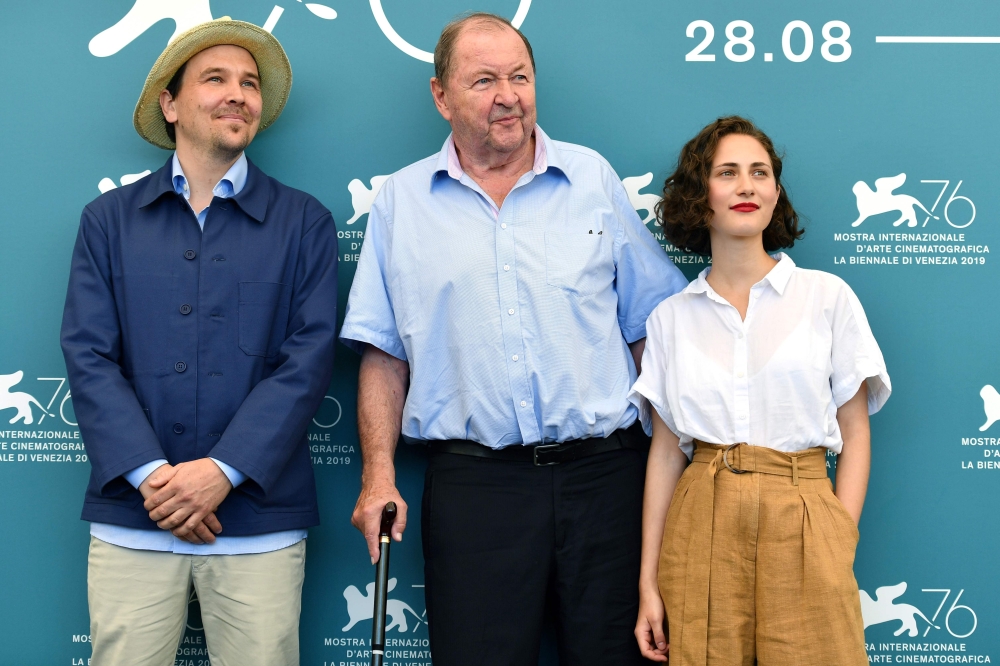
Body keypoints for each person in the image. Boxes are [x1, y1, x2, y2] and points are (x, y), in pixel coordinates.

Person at [339, 11, 688, 665]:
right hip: (475, 491)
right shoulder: (400, 202)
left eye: (520, 77)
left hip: (608, 482)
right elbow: (384, 354)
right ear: (441, 96)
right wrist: (378, 476)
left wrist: (685, 461)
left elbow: (653, 331)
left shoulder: (592, 179)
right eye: (484, 81)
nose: (508, 96)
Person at [60, 19, 338, 666]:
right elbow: (89, 356)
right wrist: (155, 479)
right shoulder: (108, 222)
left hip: (259, 524)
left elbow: (307, 359)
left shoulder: (305, 222)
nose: (238, 93)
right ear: (170, 104)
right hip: (134, 516)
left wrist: (221, 472)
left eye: (250, 83)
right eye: (215, 79)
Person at [631, 116, 890, 665]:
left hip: (805, 516)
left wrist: (837, 538)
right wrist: (648, 582)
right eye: (727, 172)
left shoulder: (827, 297)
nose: (746, 185)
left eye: (760, 172)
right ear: (700, 195)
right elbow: (665, 453)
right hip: (700, 522)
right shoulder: (670, 319)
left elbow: (856, 431)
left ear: (775, 192)